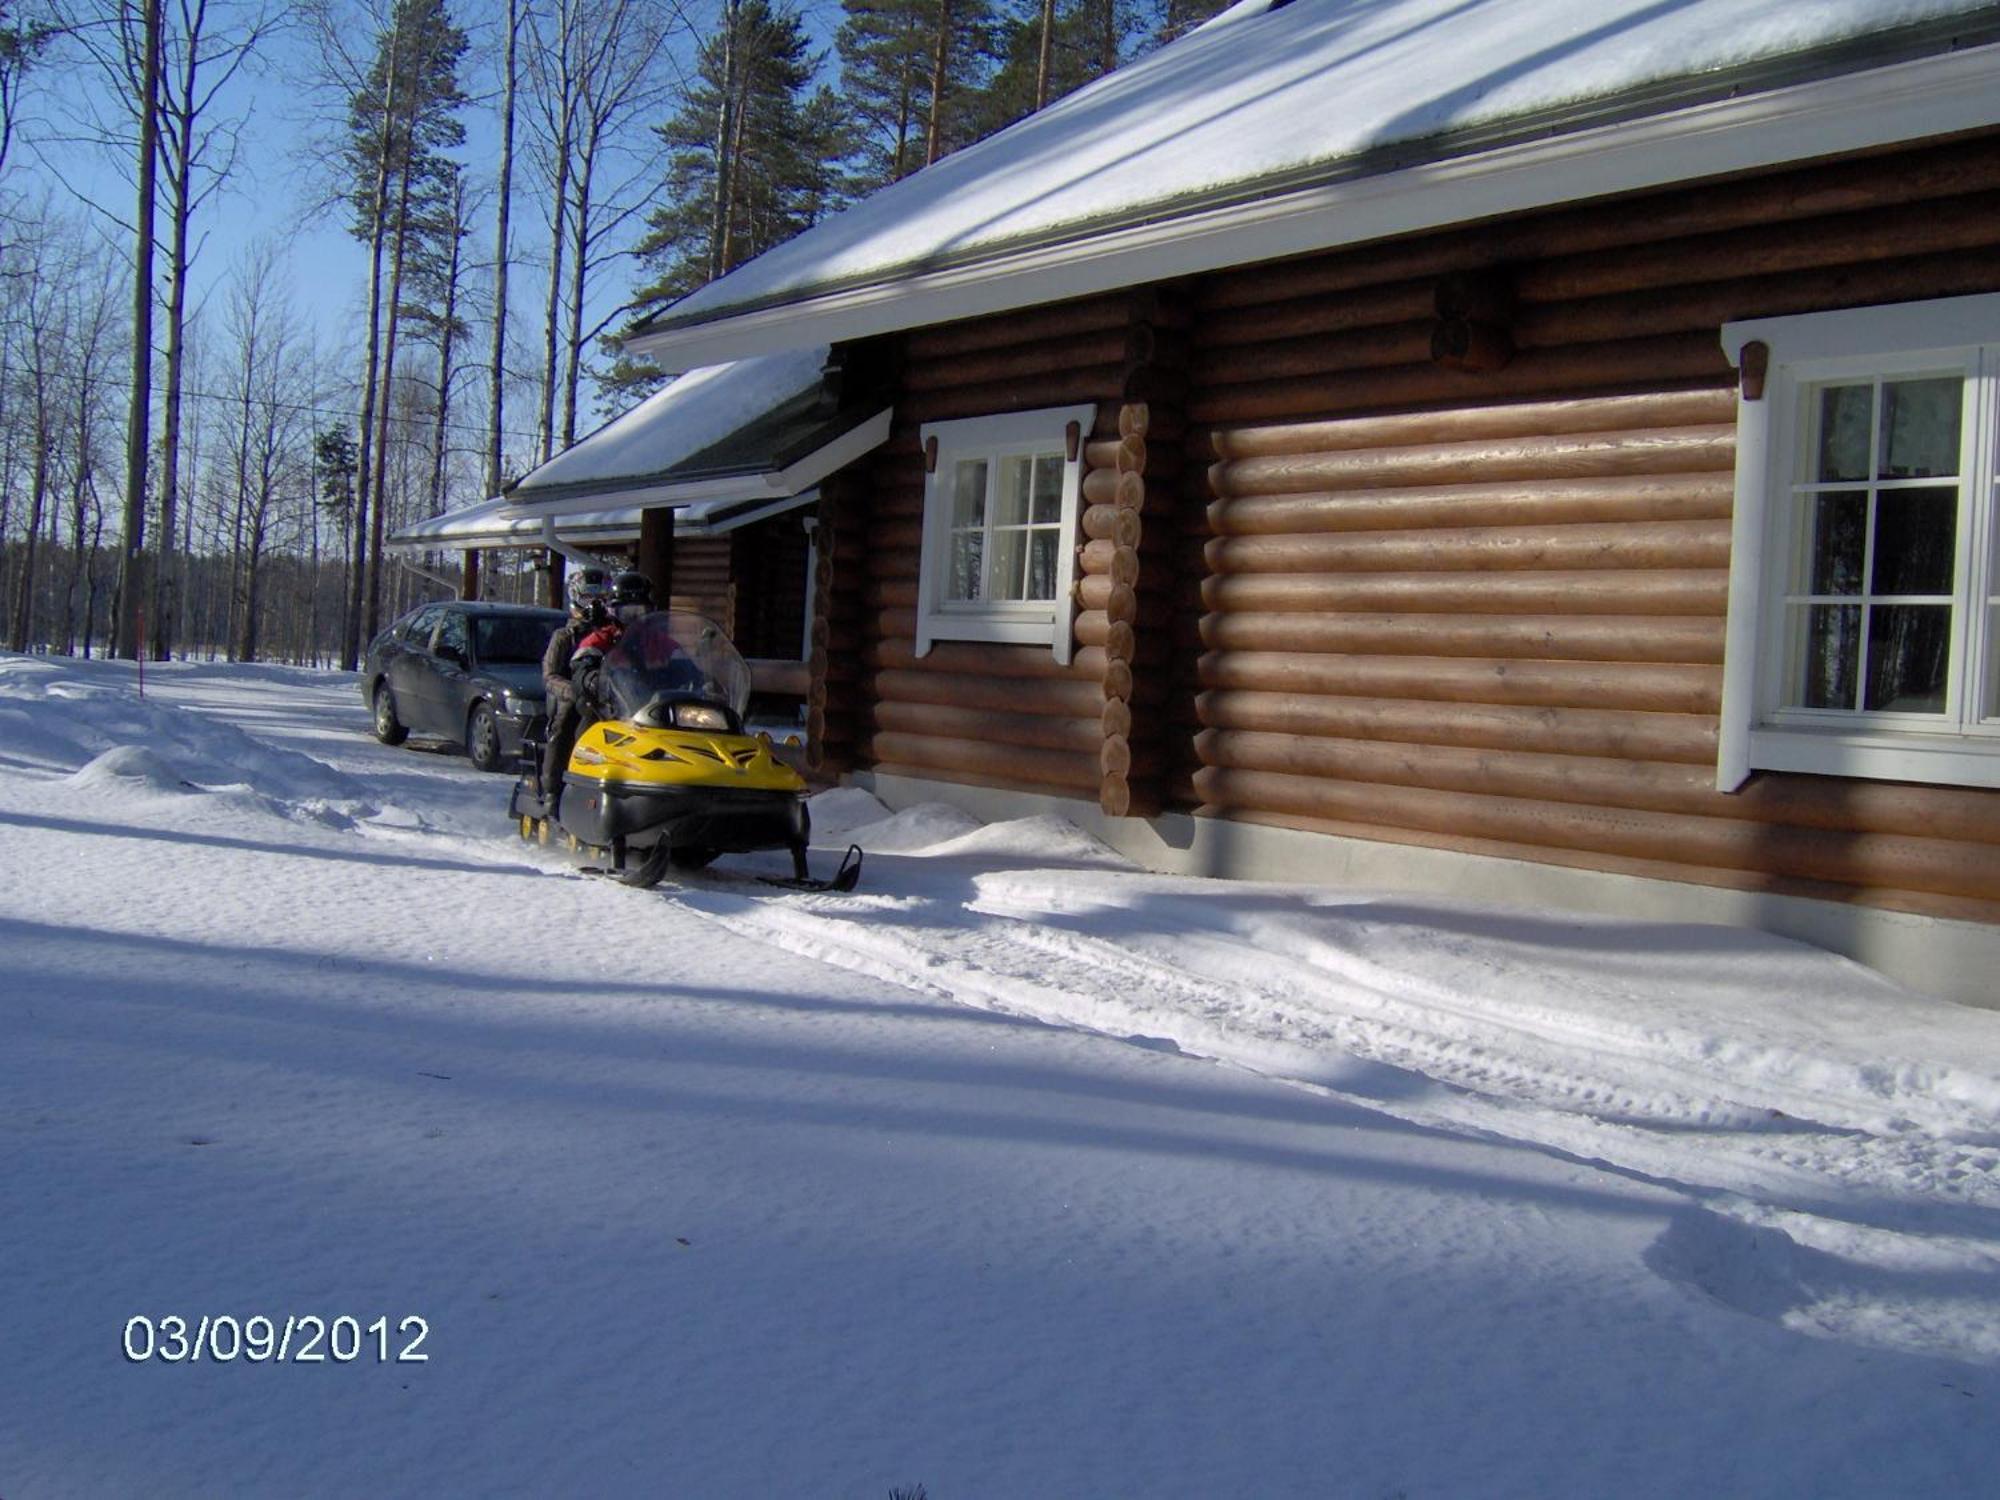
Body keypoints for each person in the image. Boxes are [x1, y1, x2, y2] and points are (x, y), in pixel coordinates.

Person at [539, 565, 614, 815]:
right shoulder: (565, 636)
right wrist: (573, 690)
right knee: (565, 724)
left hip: (609, 696)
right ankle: (552, 790)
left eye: (600, 598)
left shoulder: (614, 634)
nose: (595, 604)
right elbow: (549, 675)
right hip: (570, 696)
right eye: (588, 598)